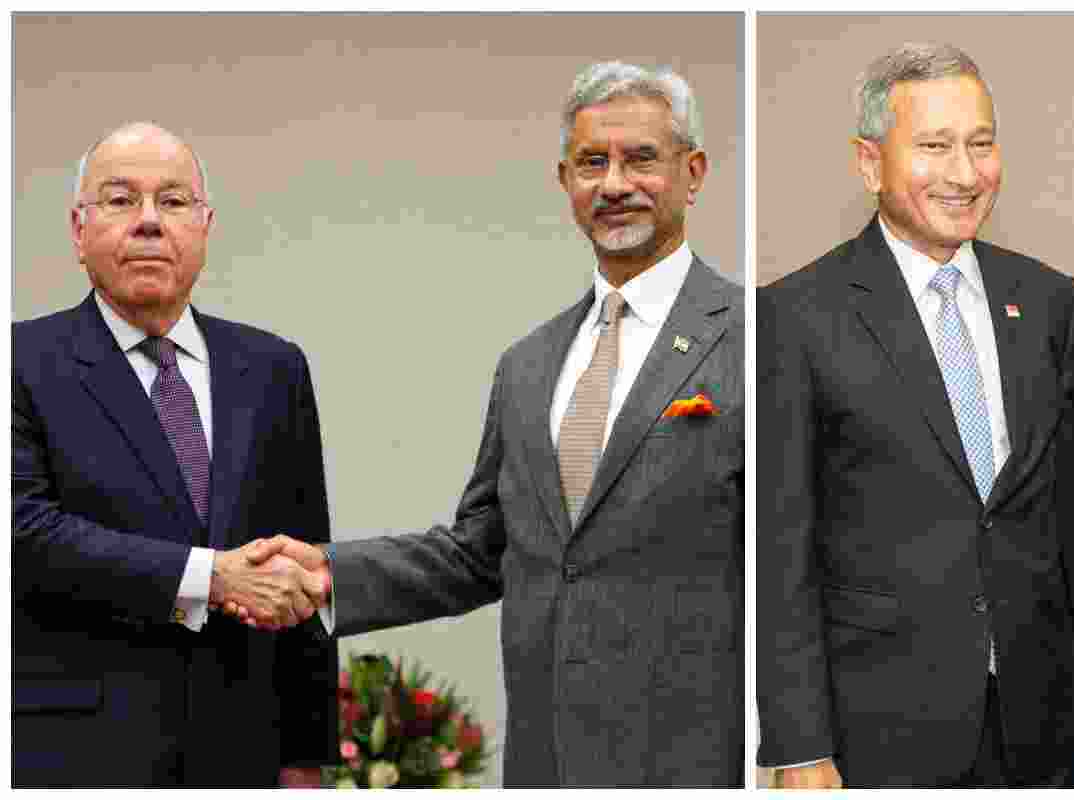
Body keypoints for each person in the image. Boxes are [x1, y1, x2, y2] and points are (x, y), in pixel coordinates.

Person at [236, 62, 744, 788]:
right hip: (546, 764)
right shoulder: (528, 366)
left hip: (703, 764)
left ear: (693, 173)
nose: (614, 184)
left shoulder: (761, 340)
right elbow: (483, 551)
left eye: (642, 159)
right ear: (564, 179)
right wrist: (326, 572)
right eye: (592, 162)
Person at [756, 42, 1074, 788]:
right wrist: (799, 746)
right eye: (934, 146)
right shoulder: (795, 317)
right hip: (879, 726)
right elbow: (778, 550)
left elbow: (1067, 500)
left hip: (1038, 713)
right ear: (869, 162)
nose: (964, 173)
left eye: (981, 145)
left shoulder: (1050, 300)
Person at [12, 122, 337, 787]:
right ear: (79, 229)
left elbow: (304, 565)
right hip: (76, 755)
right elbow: (23, 532)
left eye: (174, 201)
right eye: (121, 200)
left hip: (240, 751)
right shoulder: (19, 362)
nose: (150, 223)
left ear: (206, 227)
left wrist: (307, 756)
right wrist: (209, 577)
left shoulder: (273, 369)